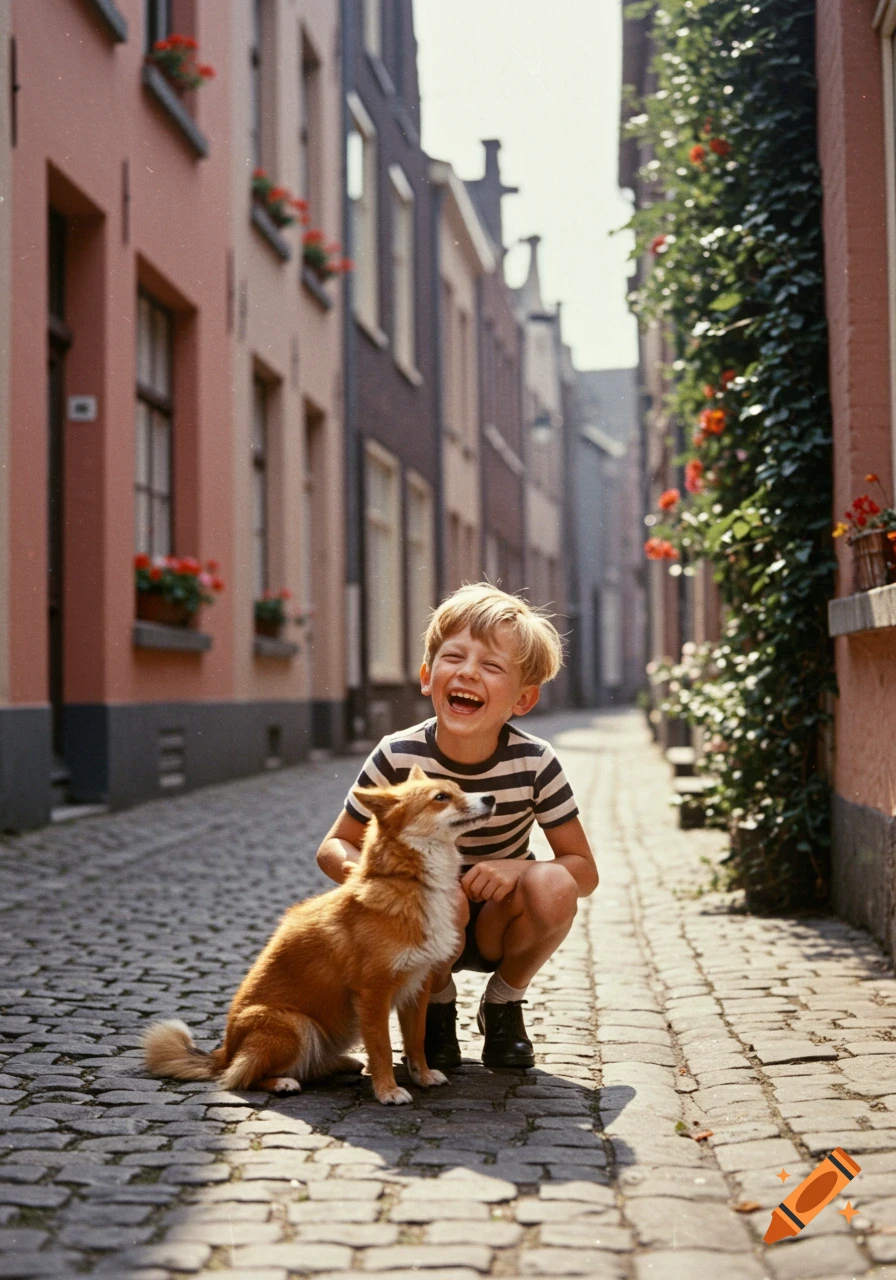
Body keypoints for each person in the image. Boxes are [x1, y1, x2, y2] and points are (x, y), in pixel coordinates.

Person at [316, 582, 599, 1070]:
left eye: (492, 667)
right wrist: (374, 883)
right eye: (454, 658)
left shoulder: (535, 763)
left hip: (497, 925)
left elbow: (585, 871)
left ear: (523, 699)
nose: (468, 673)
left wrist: (515, 867)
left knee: (554, 883)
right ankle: (435, 1008)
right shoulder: (398, 755)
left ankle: (504, 1004)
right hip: (417, 926)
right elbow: (335, 845)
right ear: (428, 676)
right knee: (444, 896)